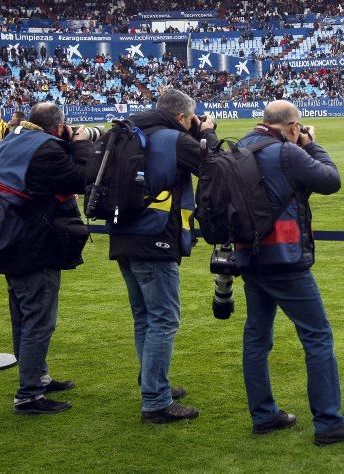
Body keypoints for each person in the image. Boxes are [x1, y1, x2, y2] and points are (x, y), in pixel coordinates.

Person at [236, 100, 344, 446]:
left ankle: (263, 415)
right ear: (292, 126)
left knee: (257, 337)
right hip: (285, 256)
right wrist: (312, 143)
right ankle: (328, 422)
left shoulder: (241, 146)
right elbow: (330, 180)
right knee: (317, 336)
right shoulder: (287, 152)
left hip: (248, 254)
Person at [109, 88, 217, 423]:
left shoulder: (129, 130)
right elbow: (217, 167)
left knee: (144, 317)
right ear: (183, 117)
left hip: (123, 232)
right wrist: (207, 133)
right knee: (163, 319)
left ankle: (151, 382)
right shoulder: (174, 138)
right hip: (154, 237)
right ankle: (155, 401)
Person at [0, 102, 94, 414]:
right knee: (38, 320)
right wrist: (82, 143)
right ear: (58, 127)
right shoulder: (46, 151)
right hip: (34, 246)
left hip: (6, 238)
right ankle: (29, 395)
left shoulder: (12, 141)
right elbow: (83, 178)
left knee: (23, 317)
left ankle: (38, 377)